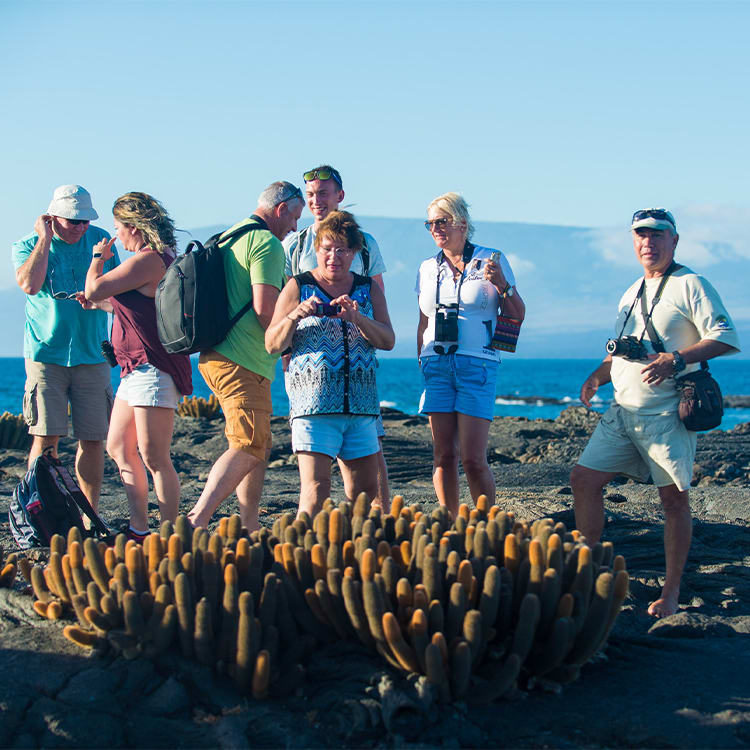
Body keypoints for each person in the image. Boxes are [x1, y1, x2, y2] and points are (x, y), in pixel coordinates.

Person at [570, 207, 741, 618]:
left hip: (665, 415)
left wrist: (676, 359)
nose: (648, 242)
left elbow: (726, 337)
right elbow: (623, 351)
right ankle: (587, 573)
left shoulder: (691, 284)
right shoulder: (631, 291)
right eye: (641, 235)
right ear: (633, 242)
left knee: (673, 501)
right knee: (583, 479)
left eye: (657, 234)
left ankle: (671, 592)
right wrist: (596, 377)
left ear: (674, 240)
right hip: (623, 411)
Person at [187, 182, 304, 531]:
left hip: (221, 355)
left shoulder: (230, 236)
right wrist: (291, 340)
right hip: (241, 360)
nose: (295, 227)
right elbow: (265, 309)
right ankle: (197, 520)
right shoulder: (266, 242)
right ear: (280, 209)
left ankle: (249, 526)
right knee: (249, 444)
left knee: (258, 445)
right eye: (294, 217)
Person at [267, 211, 395, 517]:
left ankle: (353, 545)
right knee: (315, 491)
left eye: (342, 250)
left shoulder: (368, 288)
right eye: (326, 249)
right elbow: (272, 343)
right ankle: (306, 546)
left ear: (354, 253)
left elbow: (388, 339)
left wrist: (357, 318)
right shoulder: (298, 286)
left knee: (365, 495)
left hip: (360, 408)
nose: (333, 257)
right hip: (313, 408)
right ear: (317, 249)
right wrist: (295, 315)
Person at [83, 192, 192, 542]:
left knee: (155, 457)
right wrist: (102, 304)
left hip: (153, 368)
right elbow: (138, 308)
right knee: (118, 446)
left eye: (118, 228)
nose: (116, 235)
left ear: (134, 227)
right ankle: (139, 528)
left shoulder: (149, 259)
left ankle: (170, 534)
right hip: (134, 368)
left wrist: (98, 258)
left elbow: (94, 287)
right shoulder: (155, 260)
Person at [416, 192, 525, 518]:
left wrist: (502, 285)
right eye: (430, 224)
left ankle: (487, 525)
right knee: (442, 456)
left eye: (442, 221)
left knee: (473, 459)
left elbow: (517, 313)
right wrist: (421, 361)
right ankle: (449, 522)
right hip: (436, 363)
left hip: (477, 363)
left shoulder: (491, 259)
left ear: (462, 224)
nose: (435, 229)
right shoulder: (426, 268)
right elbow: (423, 321)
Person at [12, 185, 120, 510]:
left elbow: (119, 293)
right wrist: (44, 240)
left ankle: (89, 514)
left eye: (85, 221)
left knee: (93, 439)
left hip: (92, 355)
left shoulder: (101, 242)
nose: (81, 227)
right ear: (52, 217)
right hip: (46, 356)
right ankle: (42, 514)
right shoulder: (28, 245)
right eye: (74, 221)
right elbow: (30, 284)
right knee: (46, 438)